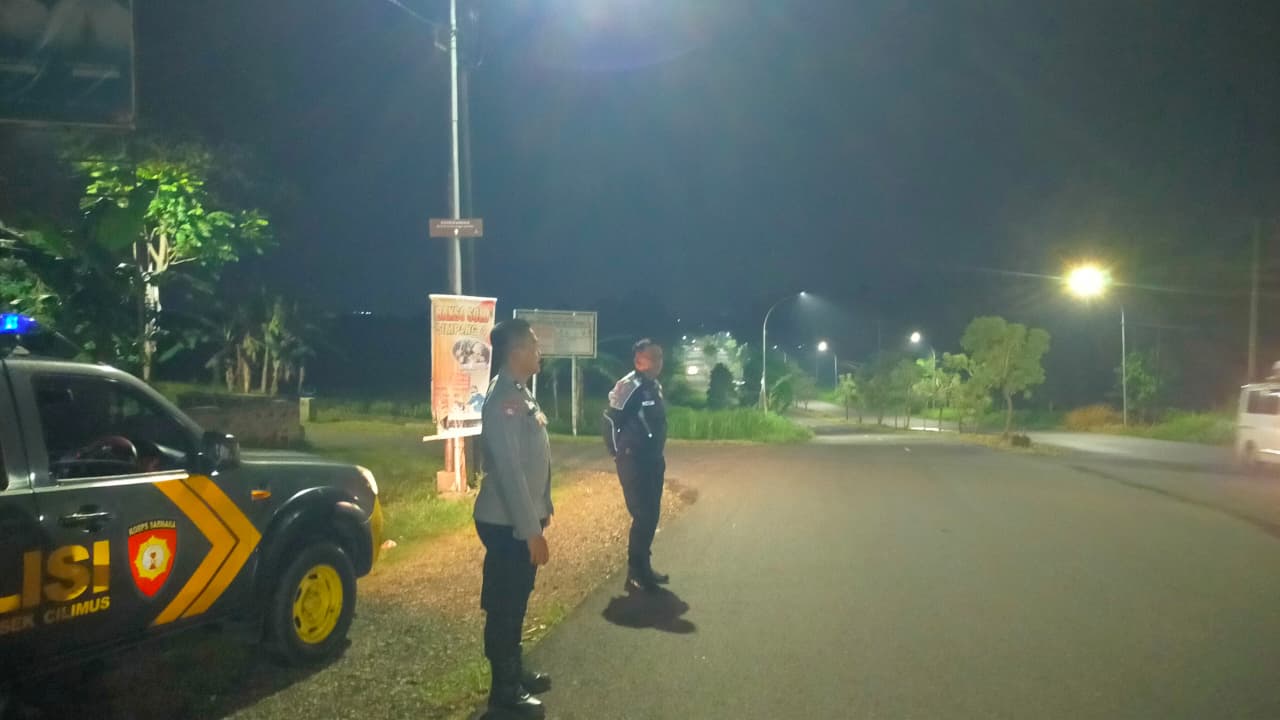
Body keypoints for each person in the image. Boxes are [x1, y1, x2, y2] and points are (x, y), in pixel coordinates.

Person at [474, 318, 553, 719]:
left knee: (517, 600)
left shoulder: (520, 392)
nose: (540, 351)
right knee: (505, 605)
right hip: (507, 524)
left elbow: (533, 460)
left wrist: (542, 510)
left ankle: (514, 672)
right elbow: (509, 472)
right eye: (534, 344)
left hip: (517, 521)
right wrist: (531, 531)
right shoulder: (504, 398)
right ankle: (504, 692)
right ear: (516, 351)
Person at [603, 339, 670, 592]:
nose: (659, 363)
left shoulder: (654, 386)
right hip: (634, 461)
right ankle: (635, 572)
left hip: (653, 459)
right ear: (638, 361)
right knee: (642, 515)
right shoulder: (628, 386)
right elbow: (610, 421)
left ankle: (645, 568)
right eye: (653, 358)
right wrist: (617, 454)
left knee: (652, 514)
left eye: (660, 357)